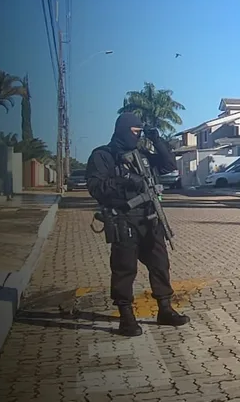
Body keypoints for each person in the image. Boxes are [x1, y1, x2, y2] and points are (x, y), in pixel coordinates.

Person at [86, 112, 190, 336]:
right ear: (122, 131)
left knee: (160, 265)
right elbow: (96, 188)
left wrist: (157, 140)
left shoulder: (142, 155)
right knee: (124, 269)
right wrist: (124, 181)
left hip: (150, 219)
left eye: (140, 133)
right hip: (124, 220)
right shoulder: (103, 156)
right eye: (134, 132)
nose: (137, 136)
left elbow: (169, 165)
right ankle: (126, 317)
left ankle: (165, 309)